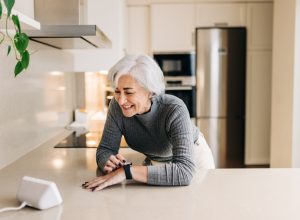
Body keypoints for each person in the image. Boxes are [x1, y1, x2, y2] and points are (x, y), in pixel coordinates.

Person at [82, 54, 215, 191]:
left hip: (194, 159)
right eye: (117, 91)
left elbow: (184, 172)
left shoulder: (174, 109)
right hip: (155, 161)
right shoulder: (116, 107)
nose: (121, 100)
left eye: (129, 93)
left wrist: (127, 171)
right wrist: (108, 162)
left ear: (150, 91)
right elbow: (105, 149)